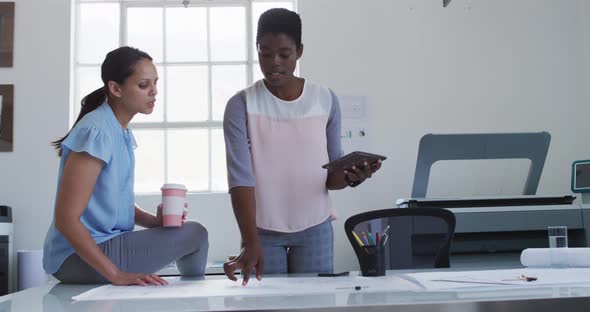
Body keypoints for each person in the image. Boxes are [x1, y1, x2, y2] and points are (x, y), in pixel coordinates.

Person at [222, 8, 382, 285]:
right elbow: (239, 180)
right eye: (265, 53)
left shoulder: (325, 99)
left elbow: (331, 177)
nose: (274, 63)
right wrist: (250, 241)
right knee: (268, 305)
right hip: (262, 231)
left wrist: (353, 177)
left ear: (299, 51)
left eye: (284, 54)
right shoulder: (241, 105)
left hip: (315, 229)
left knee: (315, 303)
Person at [43, 46, 208, 285]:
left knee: (192, 234)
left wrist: (154, 221)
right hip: (75, 257)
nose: (154, 92)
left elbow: (113, 203)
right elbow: (66, 218)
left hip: (106, 244)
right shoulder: (96, 131)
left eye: (155, 83)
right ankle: (193, 299)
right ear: (115, 88)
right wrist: (116, 275)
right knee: (196, 234)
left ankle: (189, 296)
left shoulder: (119, 131)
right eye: (143, 85)